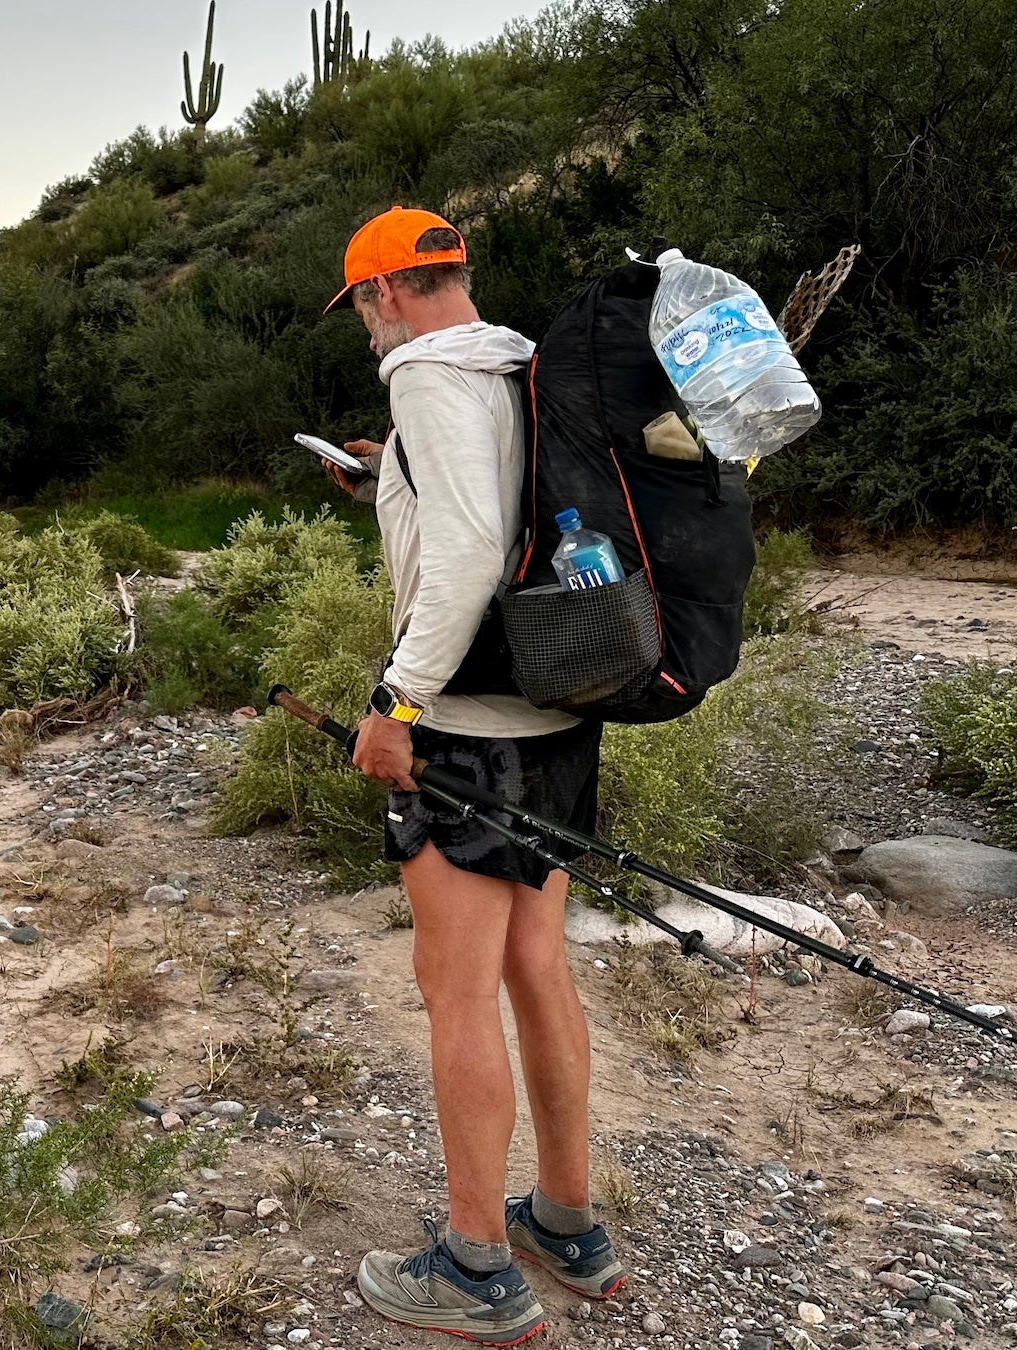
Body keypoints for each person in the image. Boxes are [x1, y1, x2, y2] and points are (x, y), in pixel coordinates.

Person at [320, 207, 628, 1345]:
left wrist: (397, 702)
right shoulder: (520, 365)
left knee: (457, 990)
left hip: (466, 724)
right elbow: (489, 513)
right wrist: (385, 481)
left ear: (386, 293)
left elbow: (461, 557)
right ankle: (566, 1224)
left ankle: (474, 1265)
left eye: (361, 308)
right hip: (557, 709)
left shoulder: (424, 379)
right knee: (538, 965)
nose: (365, 332)